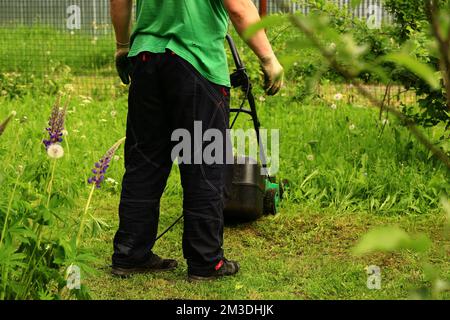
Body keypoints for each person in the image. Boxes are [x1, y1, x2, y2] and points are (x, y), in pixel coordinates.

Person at [110, 0, 284, 281]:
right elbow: (239, 9)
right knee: (204, 163)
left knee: (144, 163)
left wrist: (122, 45)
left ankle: (130, 254)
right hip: (196, 61)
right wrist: (269, 60)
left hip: (146, 60)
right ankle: (206, 262)